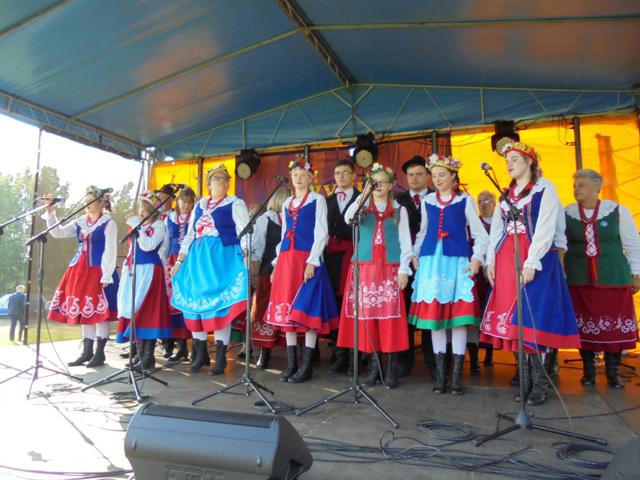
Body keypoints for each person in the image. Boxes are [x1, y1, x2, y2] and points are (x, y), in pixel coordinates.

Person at [480, 138, 581, 406]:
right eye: (507, 161)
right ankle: (525, 380)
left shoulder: (545, 188)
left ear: (529, 162)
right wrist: (490, 260)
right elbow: (497, 231)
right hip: (506, 259)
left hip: (535, 257)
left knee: (532, 319)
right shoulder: (506, 195)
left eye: (514, 159)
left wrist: (532, 261)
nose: (509, 164)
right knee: (512, 322)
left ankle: (541, 382)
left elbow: (546, 227)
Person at [409, 154, 489, 395]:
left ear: (454, 177)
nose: (437, 179)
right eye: (434, 176)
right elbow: (424, 232)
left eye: (442, 175)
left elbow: (480, 234)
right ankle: (440, 376)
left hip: (456, 262)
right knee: (435, 320)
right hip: (432, 263)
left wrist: (476, 259)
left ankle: (456, 377)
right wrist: (414, 254)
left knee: (458, 319)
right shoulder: (428, 201)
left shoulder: (465, 200)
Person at [337, 163, 411, 388]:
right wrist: (363, 195)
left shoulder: (399, 210)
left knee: (390, 319)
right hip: (365, 268)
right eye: (373, 182)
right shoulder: (362, 208)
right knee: (367, 318)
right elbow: (348, 218)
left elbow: (405, 242)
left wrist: (404, 270)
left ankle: (391, 370)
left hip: (389, 268)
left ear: (391, 185)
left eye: (382, 182)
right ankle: (374, 368)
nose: (378, 185)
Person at [171, 165, 249, 375]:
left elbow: (244, 230)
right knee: (196, 305)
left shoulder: (235, 203)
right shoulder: (200, 205)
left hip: (222, 257)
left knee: (220, 306)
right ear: (208, 184)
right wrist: (180, 260)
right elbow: (190, 234)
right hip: (197, 258)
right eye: (217, 178)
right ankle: (201, 352)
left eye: (224, 179)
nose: (221, 182)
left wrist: (246, 254)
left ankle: (221, 357)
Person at [265, 158, 339, 384]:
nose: (298, 178)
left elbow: (322, 233)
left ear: (310, 177)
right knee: (287, 311)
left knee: (307, 309)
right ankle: (292, 364)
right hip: (287, 260)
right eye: (295, 174)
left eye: (302, 174)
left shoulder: (317, 200)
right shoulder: (287, 203)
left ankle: (306, 366)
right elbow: (284, 235)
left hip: (306, 258)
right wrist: (276, 263)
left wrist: (312, 261)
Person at [565, 169, 640, 389]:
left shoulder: (617, 211)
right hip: (579, 280)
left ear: (596, 187)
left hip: (613, 278)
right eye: (575, 185)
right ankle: (588, 371)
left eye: (581, 185)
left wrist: (636, 274)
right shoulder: (567, 213)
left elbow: (633, 244)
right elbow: (560, 244)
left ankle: (612, 372)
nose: (576, 189)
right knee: (583, 326)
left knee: (614, 327)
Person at [44, 186, 119, 367]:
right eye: (85, 202)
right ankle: (87, 352)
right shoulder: (81, 221)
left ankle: (99, 353)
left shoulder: (108, 223)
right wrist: (51, 213)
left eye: (90, 201)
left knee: (99, 312)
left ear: (100, 203)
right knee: (86, 310)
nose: (87, 205)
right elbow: (58, 232)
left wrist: (106, 275)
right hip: (79, 270)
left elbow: (110, 250)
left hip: (98, 270)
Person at [115, 191, 172, 370]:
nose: (141, 212)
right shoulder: (139, 226)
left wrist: (136, 226)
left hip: (149, 271)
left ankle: (148, 357)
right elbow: (132, 248)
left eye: (145, 209)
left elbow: (148, 245)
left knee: (146, 312)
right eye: (141, 208)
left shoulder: (159, 226)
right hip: (134, 270)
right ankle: (139, 355)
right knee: (134, 310)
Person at [395, 155, 436, 378]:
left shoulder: (437, 197)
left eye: (419, 174)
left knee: (430, 310)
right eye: (410, 175)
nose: (414, 178)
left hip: (431, 261)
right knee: (405, 311)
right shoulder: (398, 200)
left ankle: (433, 361)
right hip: (405, 263)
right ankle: (404, 360)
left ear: (428, 176)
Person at [325, 159, 360, 374]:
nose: (341, 176)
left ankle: (356, 355)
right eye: (337, 173)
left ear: (354, 176)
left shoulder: (362, 199)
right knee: (335, 305)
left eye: (345, 172)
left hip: (353, 256)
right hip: (331, 259)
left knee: (354, 305)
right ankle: (339, 354)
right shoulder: (326, 200)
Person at [250, 187, 290, 369]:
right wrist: (255, 271)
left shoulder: (292, 218)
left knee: (287, 308)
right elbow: (257, 247)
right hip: (268, 270)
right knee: (264, 308)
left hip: (288, 270)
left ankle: (293, 352)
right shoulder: (265, 219)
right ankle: (264, 352)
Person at [162, 186, 196, 362]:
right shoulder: (170, 218)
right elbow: (166, 242)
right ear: (177, 201)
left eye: (190, 202)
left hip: (190, 262)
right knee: (173, 303)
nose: (186, 205)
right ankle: (180, 345)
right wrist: (163, 262)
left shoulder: (196, 217)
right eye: (183, 201)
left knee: (188, 302)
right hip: (172, 262)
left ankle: (195, 347)